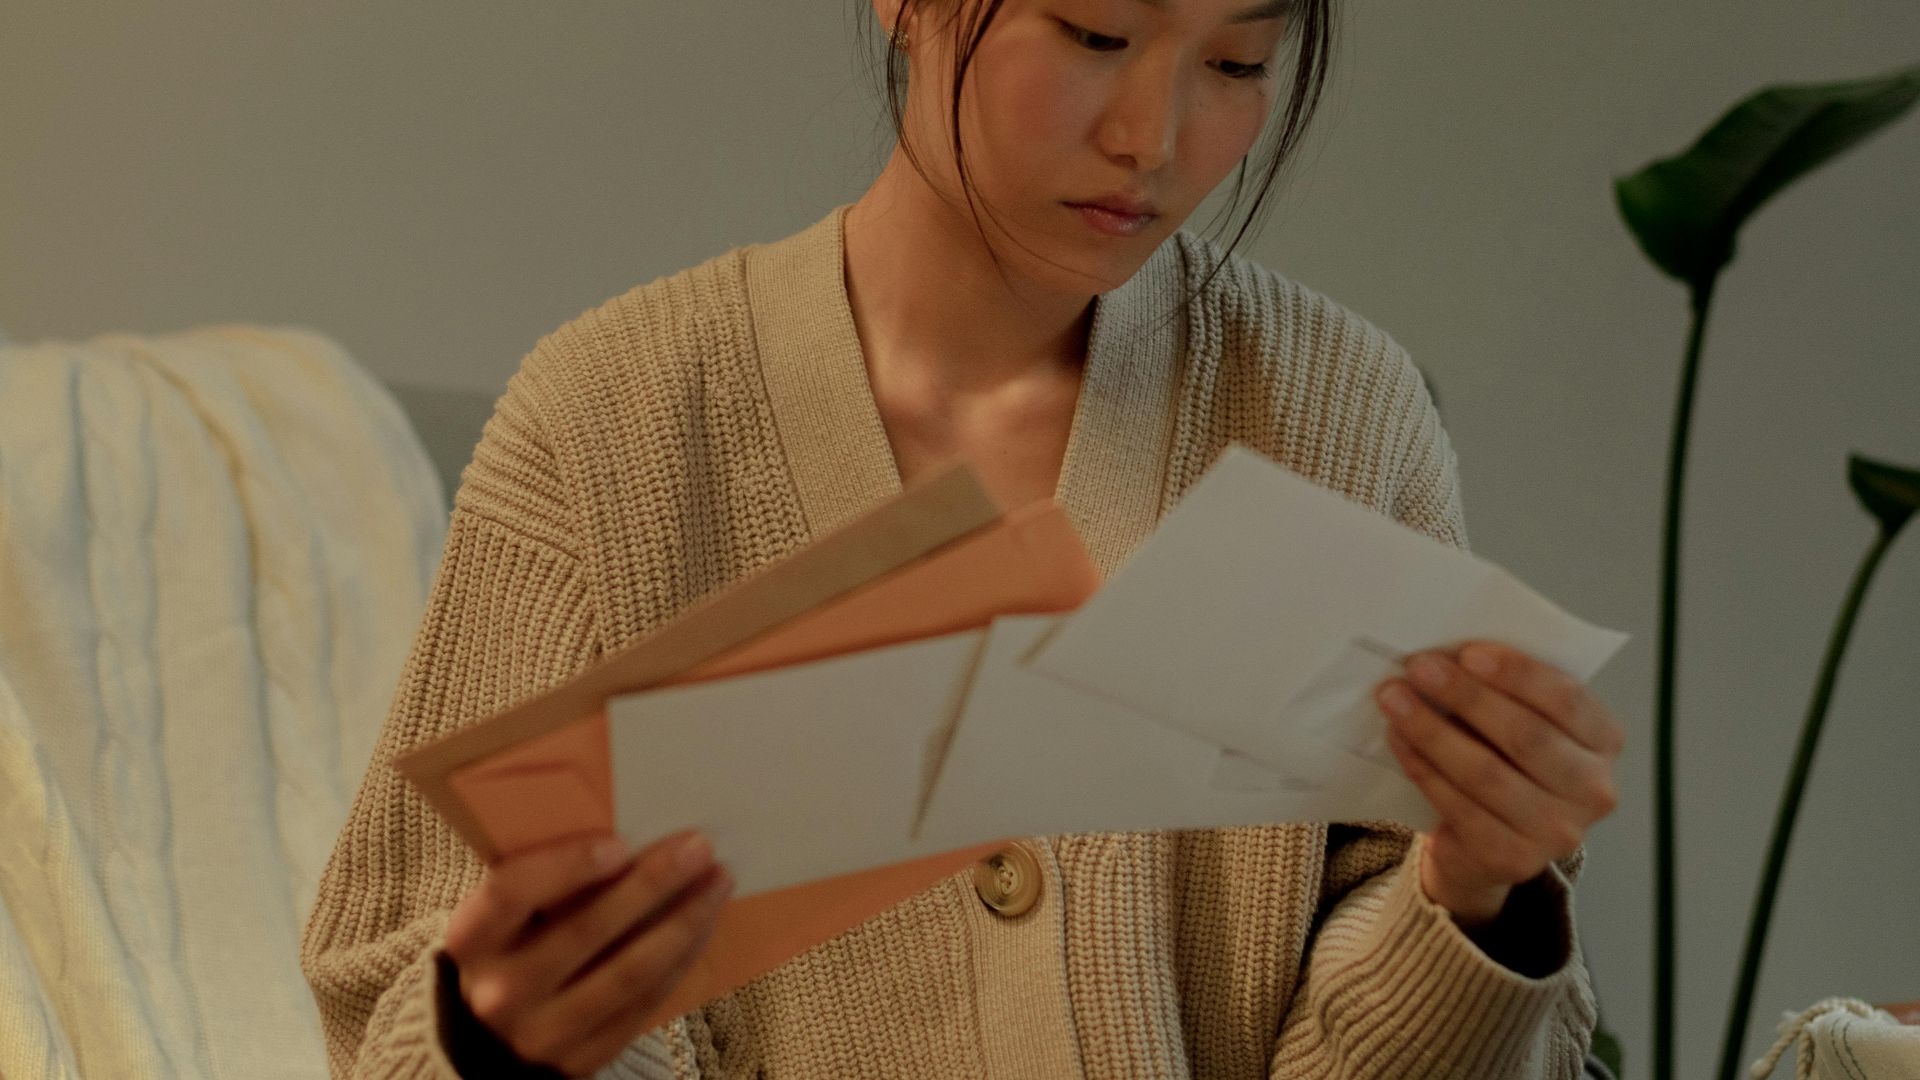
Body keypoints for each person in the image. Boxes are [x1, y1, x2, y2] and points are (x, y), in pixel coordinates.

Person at [300, 0, 1627, 1076]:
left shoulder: (1340, 413)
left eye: (1237, 60)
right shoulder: (612, 420)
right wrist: (510, 1044)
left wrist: (1476, 902)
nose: (1150, 135)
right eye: (1097, 35)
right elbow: (400, 999)